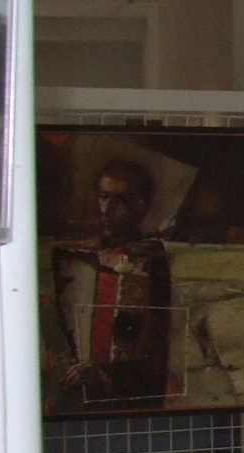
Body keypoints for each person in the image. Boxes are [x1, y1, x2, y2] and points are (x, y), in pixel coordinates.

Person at [48, 157, 176, 409]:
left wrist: (104, 375)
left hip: (125, 400)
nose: (107, 208)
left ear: (141, 207)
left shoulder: (152, 264)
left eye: (121, 199)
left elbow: (155, 352)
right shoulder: (76, 258)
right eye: (104, 197)